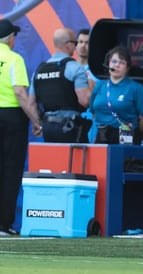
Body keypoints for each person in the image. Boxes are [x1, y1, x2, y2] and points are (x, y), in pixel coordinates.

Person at [0, 19, 41, 235]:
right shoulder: (14, 59)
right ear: (10, 38)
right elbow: (20, 93)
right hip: (11, 117)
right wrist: (36, 120)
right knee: (11, 170)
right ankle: (4, 224)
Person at [28, 27, 92, 143]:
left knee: (54, 160)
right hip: (71, 127)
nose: (77, 46)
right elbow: (84, 101)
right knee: (75, 161)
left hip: (48, 127)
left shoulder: (39, 70)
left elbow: (31, 105)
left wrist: (39, 124)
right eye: (75, 43)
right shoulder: (75, 67)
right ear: (68, 44)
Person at [90, 45, 143, 145]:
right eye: (114, 62)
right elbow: (93, 110)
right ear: (108, 64)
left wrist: (135, 132)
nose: (117, 65)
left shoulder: (136, 88)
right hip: (102, 136)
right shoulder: (99, 86)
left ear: (127, 67)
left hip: (126, 136)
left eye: (121, 63)